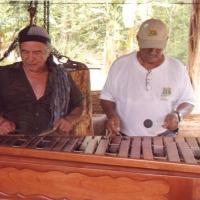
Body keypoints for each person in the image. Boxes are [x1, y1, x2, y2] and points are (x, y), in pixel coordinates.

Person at [100, 18, 195, 137]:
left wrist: (178, 115)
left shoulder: (177, 68)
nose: (153, 51)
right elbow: (107, 97)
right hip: (124, 136)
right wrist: (111, 115)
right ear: (138, 39)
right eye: (148, 46)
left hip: (164, 136)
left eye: (158, 47)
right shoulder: (120, 65)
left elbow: (188, 100)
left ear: (166, 41)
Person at [0, 25, 83, 135]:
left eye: (37, 53)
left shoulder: (62, 77)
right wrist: (1, 122)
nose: (30, 58)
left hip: (52, 142)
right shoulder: (4, 74)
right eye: (25, 52)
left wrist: (70, 120)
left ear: (48, 52)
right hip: (11, 143)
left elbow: (78, 105)